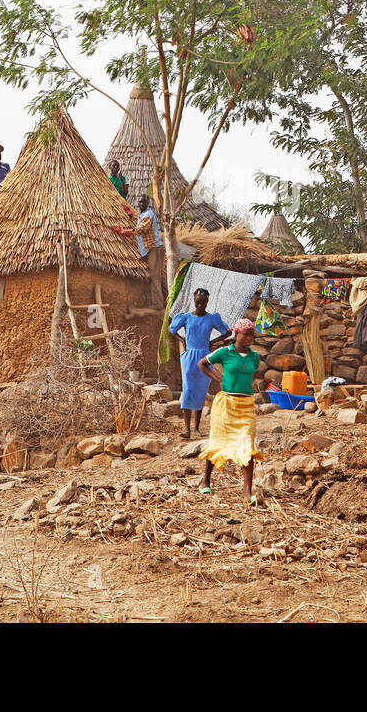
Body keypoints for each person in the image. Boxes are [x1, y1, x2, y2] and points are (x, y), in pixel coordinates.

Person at [197, 319, 263, 505]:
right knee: (217, 442)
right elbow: (202, 364)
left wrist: (246, 383)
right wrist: (217, 378)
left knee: (247, 445)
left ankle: (247, 492)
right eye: (246, 334)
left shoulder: (254, 357)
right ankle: (205, 480)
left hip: (246, 405)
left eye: (252, 334)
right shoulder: (224, 352)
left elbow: (254, 372)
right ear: (237, 334)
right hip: (226, 405)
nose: (250, 338)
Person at [169, 288, 230, 439]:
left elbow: (227, 333)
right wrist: (181, 339)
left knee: (201, 391)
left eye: (203, 302)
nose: (200, 305)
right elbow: (172, 329)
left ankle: (196, 428)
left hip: (205, 357)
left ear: (207, 301)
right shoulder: (186, 317)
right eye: (198, 302)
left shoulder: (211, 319)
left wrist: (212, 342)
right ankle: (186, 429)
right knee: (188, 389)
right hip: (189, 357)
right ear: (194, 301)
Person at [135, 194, 164, 306]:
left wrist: (125, 231)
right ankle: (159, 301)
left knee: (155, 276)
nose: (141, 204)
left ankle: (158, 304)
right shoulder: (142, 214)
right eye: (140, 202)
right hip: (152, 248)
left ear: (147, 204)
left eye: (143, 202)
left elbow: (140, 230)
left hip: (155, 248)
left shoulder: (148, 215)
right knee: (156, 275)